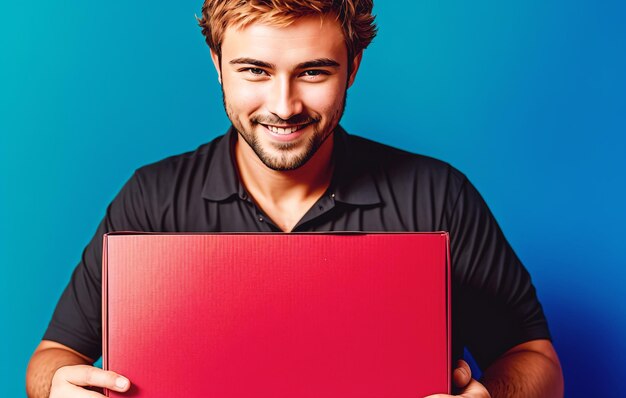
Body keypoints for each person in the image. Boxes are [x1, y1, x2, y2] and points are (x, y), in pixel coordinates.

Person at [26, 1, 564, 397]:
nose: (284, 106)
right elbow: (53, 358)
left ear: (353, 67)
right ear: (217, 63)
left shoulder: (438, 194)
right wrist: (58, 387)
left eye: (313, 71)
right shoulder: (151, 198)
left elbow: (535, 359)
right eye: (254, 70)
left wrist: (492, 397)